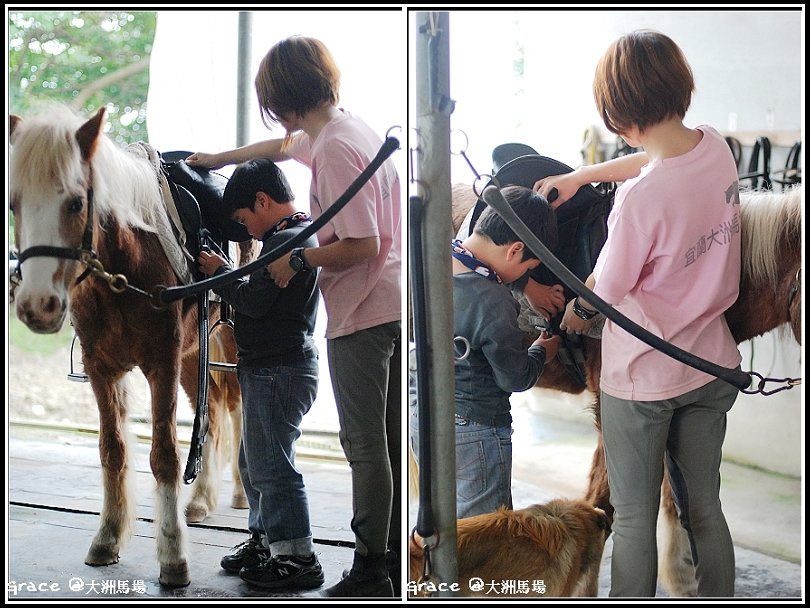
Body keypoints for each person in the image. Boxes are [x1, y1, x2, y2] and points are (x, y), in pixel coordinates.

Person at [188, 36, 401, 598]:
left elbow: (362, 243)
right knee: (381, 441)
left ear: (279, 94)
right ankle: (386, 556)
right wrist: (218, 160)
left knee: (365, 445)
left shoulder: (333, 150)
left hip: (364, 309)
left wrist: (296, 258)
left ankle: (371, 566)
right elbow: (281, 147)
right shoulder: (349, 129)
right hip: (391, 302)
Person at [536, 30, 742, 597]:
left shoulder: (639, 203)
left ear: (618, 112)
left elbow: (606, 289)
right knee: (705, 510)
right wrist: (582, 177)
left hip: (644, 380)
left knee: (632, 518)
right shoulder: (716, 146)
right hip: (710, 365)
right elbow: (655, 161)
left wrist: (573, 313)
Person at [196, 158, 323, 590]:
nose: (245, 230)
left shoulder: (286, 241)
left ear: (262, 201)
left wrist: (219, 273)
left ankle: (297, 556)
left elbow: (252, 302)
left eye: (243, 219)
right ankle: (265, 540)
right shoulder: (292, 236)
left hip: (280, 369)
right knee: (255, 461)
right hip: (272, 369)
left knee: (273, 466)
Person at [410, 185, 561, 519]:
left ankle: (439, 574)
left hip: (421, 411)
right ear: (516, 250)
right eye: (528, 268)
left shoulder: (430, 260)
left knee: (440, 521)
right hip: (475, 427)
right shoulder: (492, 301)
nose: (524, 277)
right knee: (483, 535)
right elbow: (515, 377)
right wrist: (541, 351)